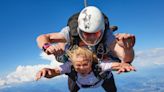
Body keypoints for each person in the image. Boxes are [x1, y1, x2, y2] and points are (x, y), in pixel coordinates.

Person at [36, 6, 135, 91]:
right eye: (87, 34)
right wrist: (47, 46)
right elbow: (42, 37)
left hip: (99, 70)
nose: (91, 38)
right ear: (79, 30)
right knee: (64, 58)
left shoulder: (107, 36)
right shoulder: (70, 33)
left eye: (95, 33)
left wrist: (127, 49)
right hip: (81, 70)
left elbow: (126, 59)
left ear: (102, 30)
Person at [36, 47, 135, 92]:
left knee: (112, 90)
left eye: (85, 64)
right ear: (73, 64)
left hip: (101, 80)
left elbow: (113, 65)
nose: (82, 68)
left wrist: (124, 65)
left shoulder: (98, 66)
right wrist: (46, 71)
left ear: (91, 62)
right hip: (78, 83)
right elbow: (54, 72)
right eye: (78, 65)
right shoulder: (69, 66)